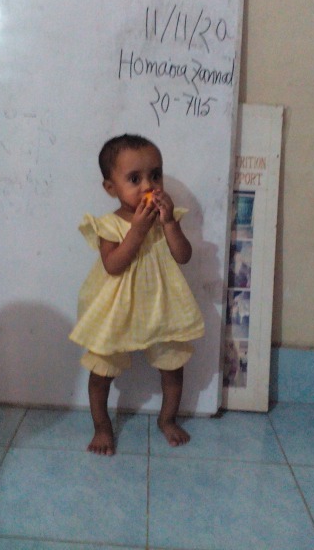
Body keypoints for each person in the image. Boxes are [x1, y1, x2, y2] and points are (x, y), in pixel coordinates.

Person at [69, 134, 204, 455]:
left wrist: (169, 223)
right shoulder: (109, 225)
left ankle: (167, 419)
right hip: (117, 309)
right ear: (111, 187)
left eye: (155, 175)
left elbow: (183, 255)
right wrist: (139, 230)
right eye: (134, 179)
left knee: (173, 365)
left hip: (162, 304)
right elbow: (113, 265)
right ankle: (102, 427)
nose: (148, 186)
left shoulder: (166, 218)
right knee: (101, 371)